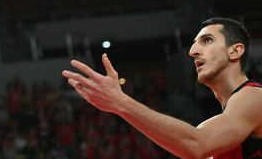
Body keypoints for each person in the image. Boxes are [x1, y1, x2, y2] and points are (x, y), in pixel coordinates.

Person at [63, 17, 262, 159]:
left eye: (207, 40)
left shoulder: (254, 97)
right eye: (193, 44)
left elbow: (196, 144)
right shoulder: (223, 123)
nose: (193, 51)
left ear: (235, 51)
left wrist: (120, 102)